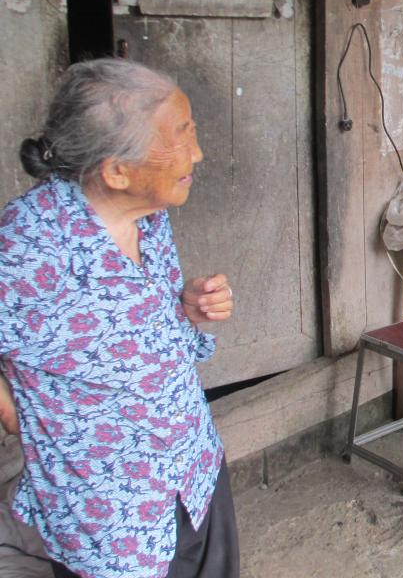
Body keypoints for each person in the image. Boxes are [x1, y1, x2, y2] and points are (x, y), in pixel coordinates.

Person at [0, 59, 239, 578]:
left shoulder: (148, 217)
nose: (197, 153)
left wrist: (184, 308)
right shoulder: (29, 245)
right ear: (116, 171)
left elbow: (128, 323)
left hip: (193, 469)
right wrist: (15, 414)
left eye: (191, 130)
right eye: (180, 138)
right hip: (111, 515)